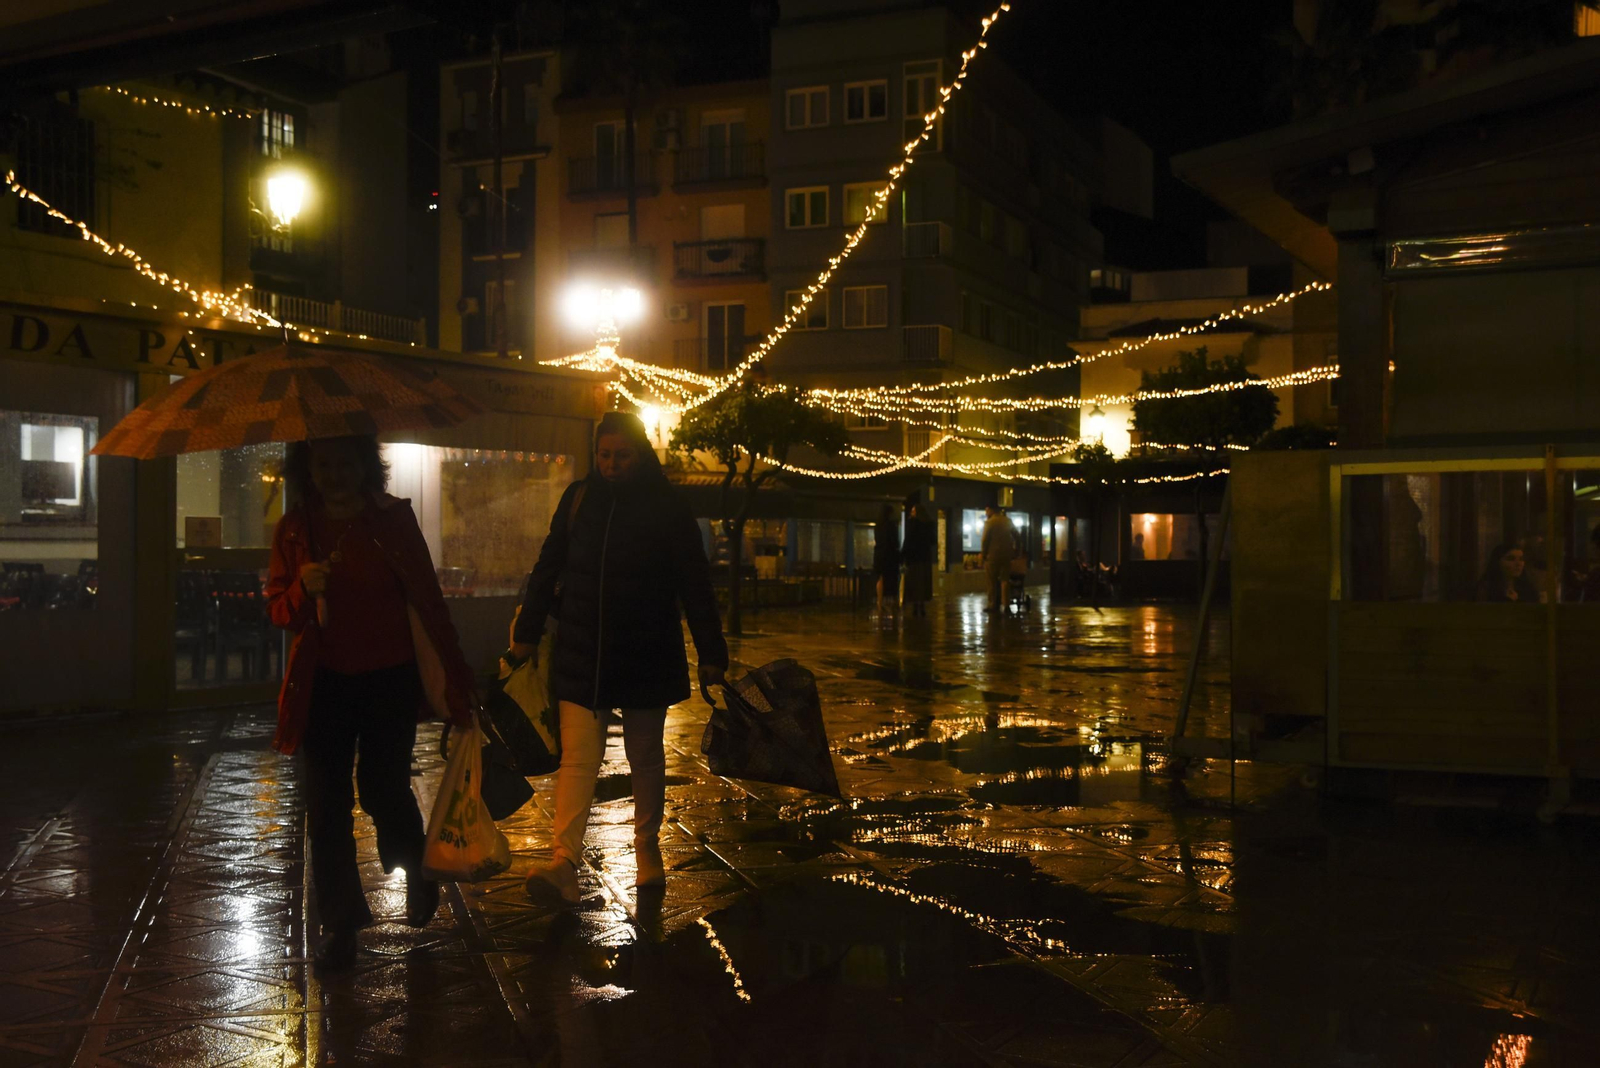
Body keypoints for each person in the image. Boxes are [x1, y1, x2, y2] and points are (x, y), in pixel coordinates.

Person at [266, 434, 477, 972]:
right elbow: (278, 610)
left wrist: (456, 680)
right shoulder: (296, 529)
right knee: (326, 804)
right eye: (322, 464)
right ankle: (339, 923)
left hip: (389, 679)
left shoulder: (392, 520)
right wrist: (300, 590)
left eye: (344, 463)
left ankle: (417, 868)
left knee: (384, 789)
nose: (334, 474)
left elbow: (428, 599)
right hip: (325, 684)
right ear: (306, 469)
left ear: (366, 466)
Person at [510, 412, 728, 905]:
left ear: (641, 453)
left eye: (621, 456)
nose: (610, 465)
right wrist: (526, 633)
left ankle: (646, 849)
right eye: (603, 455)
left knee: (645, 757)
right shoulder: (578, 500)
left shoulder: (668, 506)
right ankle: (563, 861)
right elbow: (547, 566)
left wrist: (712, 654)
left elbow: (695, 585)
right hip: (582, 653)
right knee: (578, 761)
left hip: (647, 651)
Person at [901, 502, 936, 617]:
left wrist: (903, 555)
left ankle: (916, 607)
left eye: (913, 511)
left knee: (914, 582)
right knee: (923, 582)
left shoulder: (913, 523)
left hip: (914, 558)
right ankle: (922, 606)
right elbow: (933, 541)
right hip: (925, 557)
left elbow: (908, 540)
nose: (911, 513)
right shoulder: (929, 524)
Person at [1474, 542, 1540, 603]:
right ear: (1497, 562)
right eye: (1511, 559)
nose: (1518, 564)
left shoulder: (1528, 589)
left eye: (1521, 559)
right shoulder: (1486, 589)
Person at [980, 505, 1016, 613]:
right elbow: (1017, 536)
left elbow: (985, 540)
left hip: (992, 556)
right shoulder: (1008, 521)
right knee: (1005, 580)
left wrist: (983, 554)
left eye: (986, 510)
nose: (986, 512)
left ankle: (993, 604)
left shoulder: (989, 522)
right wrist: (1016, 551)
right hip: (1006, 556)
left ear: (991, 510)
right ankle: (1006, 605)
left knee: (991, 581)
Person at [873, 503, 902, 615]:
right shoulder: (891, 525)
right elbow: (895, 541)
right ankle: (893, 601)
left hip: (879, 553)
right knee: (892, 578)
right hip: (890, 554)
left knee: (880, 578)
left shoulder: (878, 525)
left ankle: (879, 602)